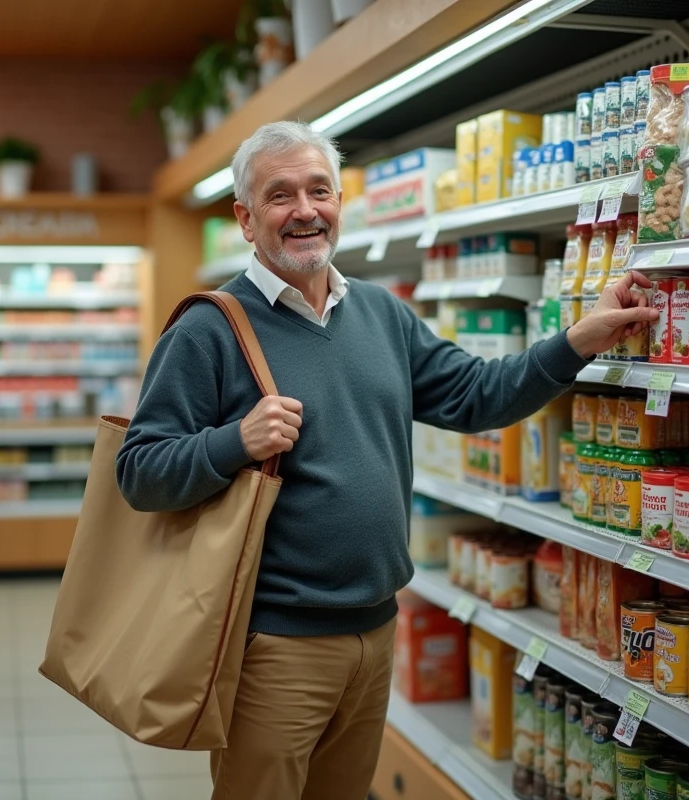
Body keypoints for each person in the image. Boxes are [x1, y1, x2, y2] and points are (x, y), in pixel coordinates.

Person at [116, 121, 658, 800]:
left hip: (376, 631)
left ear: (339, 202)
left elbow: (474, 396)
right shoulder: (210, 328)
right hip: (274, 644)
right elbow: (138, 472)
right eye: (280, 196)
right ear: (245, 220)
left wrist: (580, 338)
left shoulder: (379, 312)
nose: (305, 210)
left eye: (320, 190)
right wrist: (235, 441)